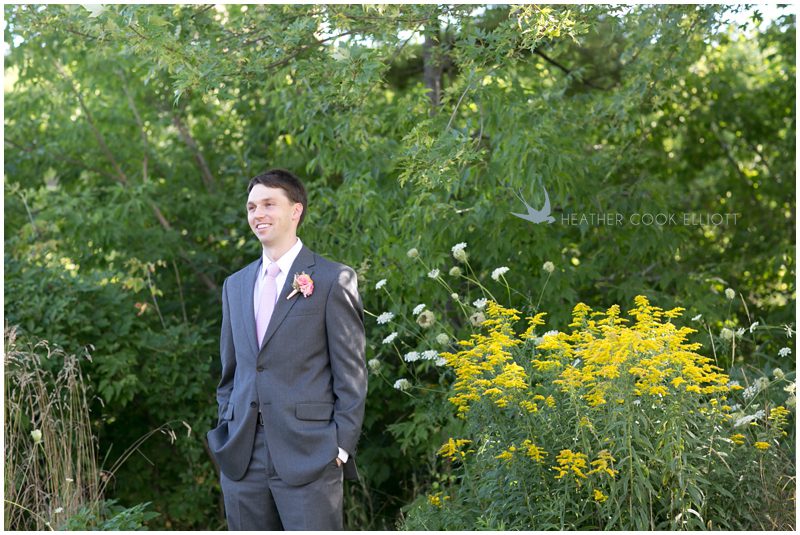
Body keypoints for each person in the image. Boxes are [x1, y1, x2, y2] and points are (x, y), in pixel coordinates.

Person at [206, 169, 367, 530]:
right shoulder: (235, 285)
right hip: (243, 455)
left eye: (268, 204)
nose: (257, 214)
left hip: (311, 453)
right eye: (251, 207)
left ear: (295, 211)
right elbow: (231, 372)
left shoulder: (331, 279)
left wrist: (339, 448)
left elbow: (351, 374)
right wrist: (227, 425)